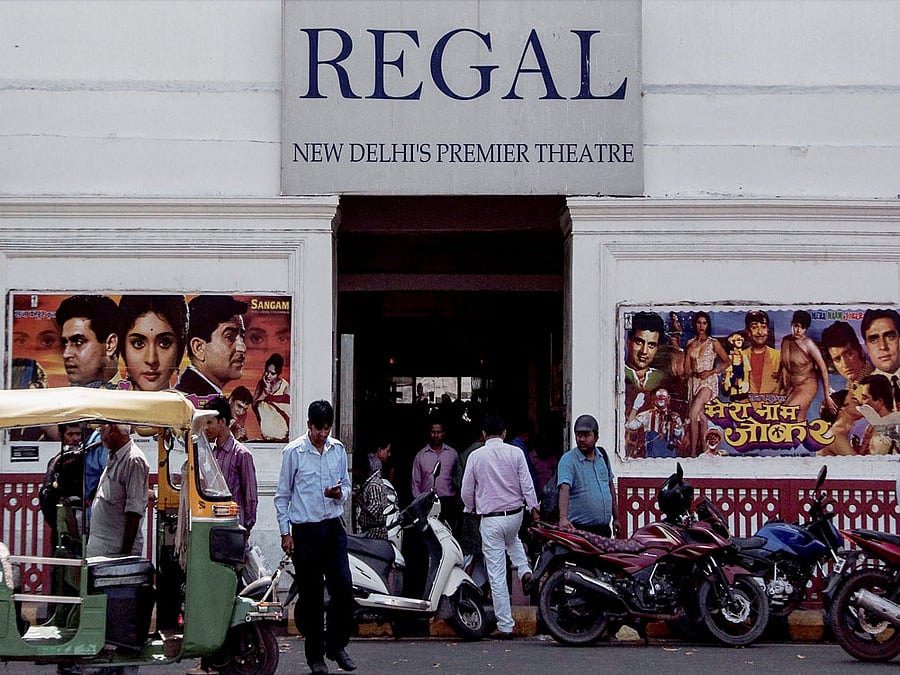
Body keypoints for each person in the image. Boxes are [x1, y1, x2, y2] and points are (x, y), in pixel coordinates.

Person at [274, 400, 356, 675]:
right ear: (309, 425)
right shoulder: (294, 452)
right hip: (305, 532)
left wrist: (339, 494)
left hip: (332, 527)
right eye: (319, 428)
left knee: (343, 588)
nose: (323, 434)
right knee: (311, 598)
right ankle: (316, 658)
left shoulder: (338, 450)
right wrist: (286, 533)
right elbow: (282, 496)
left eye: (327, 428)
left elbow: (346, 485)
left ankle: (336, 645)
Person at [461, 415, 539, 639]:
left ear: (483, 435)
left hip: (491, 519)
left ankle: (505, 625)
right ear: (504, 433)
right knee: (513, 540)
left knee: (496, 574)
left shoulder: (476, 456)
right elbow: (527, 483)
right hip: (515, 516)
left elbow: (467, 490)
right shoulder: (516, 453)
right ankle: (525, 572)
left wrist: (470, 507)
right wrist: (533, 507)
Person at [85, 422, 150, 557]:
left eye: (102, 429)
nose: (100, 433)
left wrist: (124, 558)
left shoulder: (134, 460)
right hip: (101, 549)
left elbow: (134, 512)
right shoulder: (113, 455)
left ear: (113, 430)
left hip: (115, 553)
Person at [175, 295, 248, 408]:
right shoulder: (192, 404)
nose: (242, 348)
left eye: (242, 337)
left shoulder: (203, 397)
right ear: (199, 348)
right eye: (230, 337)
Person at [557, 414, 621, 537]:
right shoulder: (568, 460)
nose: (581, 439)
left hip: (603, 530)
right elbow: (564, 488)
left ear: (596, 437)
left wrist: (616, 518)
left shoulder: (602, 456)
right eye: (579, 435)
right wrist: (563, 518)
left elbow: (610, 487)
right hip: (580, 531)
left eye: (586, 435)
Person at [204, 397, 258, 533]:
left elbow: (251, 497)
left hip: (234, 527)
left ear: (222, 422)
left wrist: (246, 528)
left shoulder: (241, 454)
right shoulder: (212, 454)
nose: (206, 427)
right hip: (213, 525)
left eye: (209, 422)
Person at [115, 295, 188, 392]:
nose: (151, 360)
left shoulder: (193, 406)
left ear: (180, 348)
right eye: (138, 343)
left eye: (164, 343)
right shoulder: (103, 405)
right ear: (122, 347)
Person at [684, 312, 729, 457]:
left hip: (708, 382)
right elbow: (687, 370)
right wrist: (688, 352)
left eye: (704, 323)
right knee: (701, 418)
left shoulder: (713, 343)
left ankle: (692, 454)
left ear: (708, 325)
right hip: (694, 381)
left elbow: (727, 362)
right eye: (699, 323)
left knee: (692, 414)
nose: (701, 326)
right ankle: (704, 452)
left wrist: (712, 372)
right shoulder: (690, 343)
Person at [778, 310, 837, 420]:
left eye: (803, 327)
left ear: (806, 329)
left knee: (788, 413)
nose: (798, 330)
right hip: (791, 385)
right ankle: (802, 436)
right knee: (795, 418)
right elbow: (783, 363)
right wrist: (779, 380)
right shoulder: (785, 341)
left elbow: (823, 369)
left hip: (807, 385)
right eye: (796, 326)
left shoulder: (809, 344)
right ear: (791, 324)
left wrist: (827, 396)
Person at [55, 294, 120, 388]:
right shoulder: (61, 399)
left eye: (78, 342)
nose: (66, 354)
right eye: (65, 343)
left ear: (110, 345)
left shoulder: (135, 395)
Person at [410, 419, 460, 528]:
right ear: (429, 433)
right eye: (433, 432)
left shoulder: (453, 454)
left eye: (439, 432)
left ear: (444, 433)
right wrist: (420, 505)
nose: (436, 435)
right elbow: (415, 483)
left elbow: (459, 479)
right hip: (427, 503)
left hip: (448, 503)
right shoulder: (420, 456)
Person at [623, 311, 667, 411]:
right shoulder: (618, 373)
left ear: (657, 349)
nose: (644, 351)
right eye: (639, 342)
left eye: (651, 345)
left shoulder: (662, 378)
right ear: (628, 342)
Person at [625, 388, 685, 458]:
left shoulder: (675, 417)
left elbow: (680, 438)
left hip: (670, 459)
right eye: (658, 396)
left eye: (664, 396)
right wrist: (635, 408)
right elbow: (630, 425)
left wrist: (677, 432)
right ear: (652, 400)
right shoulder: (646, 415)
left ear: (668, 399)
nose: (661, 399)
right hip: (651, 458)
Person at [861, 309, 900, 409]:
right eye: (873, 339)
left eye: (890, 337)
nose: (883, 346)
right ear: (867, 347)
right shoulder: (861, 392)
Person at [742, 309, 783, 406]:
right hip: (746, 414)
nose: (760, 332)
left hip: (772, 413)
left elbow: (787, 387)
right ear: (748, 332)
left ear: (768, 330)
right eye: (754, 327)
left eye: (763, 327)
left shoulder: (779, 356)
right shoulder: (739, 357)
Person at [821, 320, 873, 390]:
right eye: (837, 359)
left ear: (860, 351)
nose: (845, 364)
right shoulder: (851, 385)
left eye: (849, 354)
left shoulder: (875, 384)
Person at [252, 353, 291, 441]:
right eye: (267, 371)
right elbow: (254, 405)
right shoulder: (261, 384)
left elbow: (289, 410)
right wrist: (265, 393)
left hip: (281, 431)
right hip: (266, 431)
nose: (268, 376)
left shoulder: (285, 386)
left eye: (272, 373)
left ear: (278, 373)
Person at [856, 374, 897, 455]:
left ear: (880, 401)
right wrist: (863, 445)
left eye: (865, 398)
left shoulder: (897, 426)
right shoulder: (870, 427)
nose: (861, 402)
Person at [817, 390, 864, 456]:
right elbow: (859, 465)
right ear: (841, 408)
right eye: (854, 399)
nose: (861, 403)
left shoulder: (839, 433)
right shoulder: (834, 436)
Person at [357, 455, 389, 540]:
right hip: (370, 531)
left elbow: (373, 510)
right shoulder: (371, 483)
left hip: (375, 533)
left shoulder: (374, 484)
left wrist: (357, 498)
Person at [723, 331, 751, 399]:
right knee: (734, 396)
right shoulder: (730, 357)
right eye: (736, 338)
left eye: (740, 339)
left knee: (743, 396)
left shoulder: (744, 356)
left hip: (741, 381)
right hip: (733, 382)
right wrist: (727, 381)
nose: (739, 340)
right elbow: (728, 372)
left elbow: (747, 370)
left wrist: (746, 382)